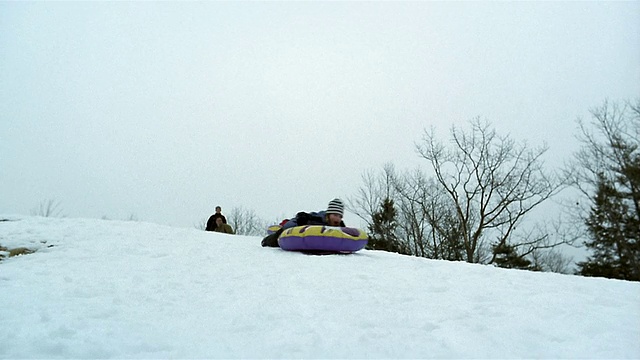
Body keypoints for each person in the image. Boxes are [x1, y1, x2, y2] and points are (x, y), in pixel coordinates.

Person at [261, 198, 346, 247]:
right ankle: (268, 239)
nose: (337, 219)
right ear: (328, 215)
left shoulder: (340, 226)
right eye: (335, 215)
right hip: (295, 225)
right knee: (281, 233)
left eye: (340, 216)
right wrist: (301, 219)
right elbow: (301, 218)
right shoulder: (317, 219)